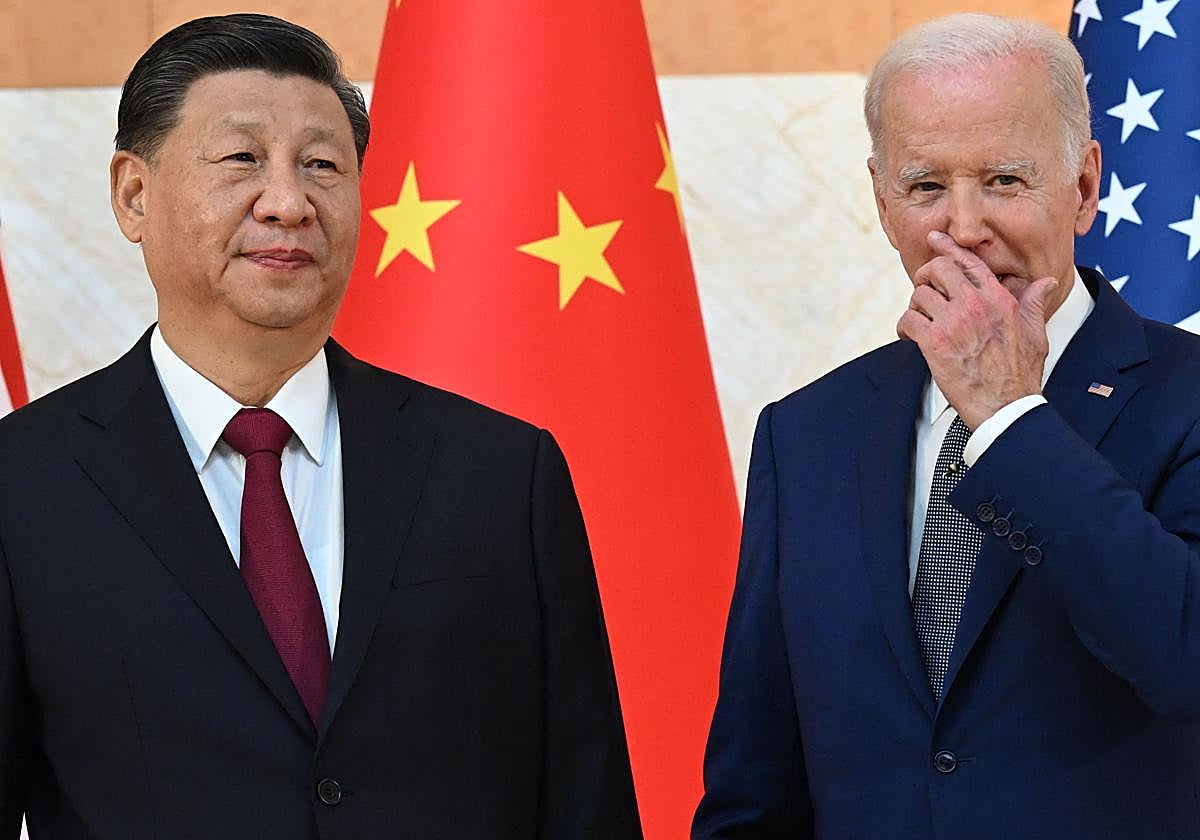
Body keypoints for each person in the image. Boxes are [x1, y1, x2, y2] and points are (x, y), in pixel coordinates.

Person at [0, 14, 641, 839]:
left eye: (322, 166)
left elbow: (585, 802)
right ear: (134, 194)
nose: (289, 202)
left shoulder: (500, 474)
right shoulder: (25, 487)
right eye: (242, 160)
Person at [693, 13, 1200, 839]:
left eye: (1004, 180)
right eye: (926, 186)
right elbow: (759, 777)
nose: (963, 227)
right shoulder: (807, 432)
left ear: (1083, 186)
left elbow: (1184, 658)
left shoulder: (1186, 397)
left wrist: (1008, 418)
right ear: (882, 199)